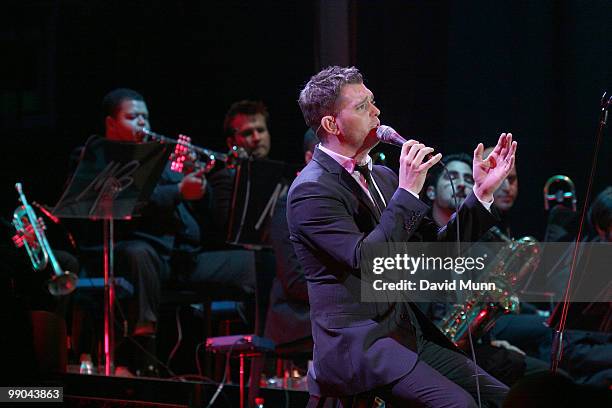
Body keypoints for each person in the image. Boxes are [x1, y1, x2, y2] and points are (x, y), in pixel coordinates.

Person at [289, 66, 516, 407]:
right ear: (332, 125)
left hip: (404, 333)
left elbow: (438, 254)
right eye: (363, 107)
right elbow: (369, 263)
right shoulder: (311, 190)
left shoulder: (381, 175)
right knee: (459, 405)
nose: (377, 112)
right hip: (360, 345)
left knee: (506, 399)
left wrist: (481, 195)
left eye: (374, 102)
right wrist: (408, 192)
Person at [71, 88, 257, 376]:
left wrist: (193, 179)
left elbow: (201, 214)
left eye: (145, 117)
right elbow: (134, 201)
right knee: (139, 253)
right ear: (111, 123)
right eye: (133, 117)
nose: (143, 124)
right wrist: (178, 189)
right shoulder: (94, 158)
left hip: (182, 258)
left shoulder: (165, 163)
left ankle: (265, 355)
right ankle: (139, 356)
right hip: (135, 253)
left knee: (255, 266)